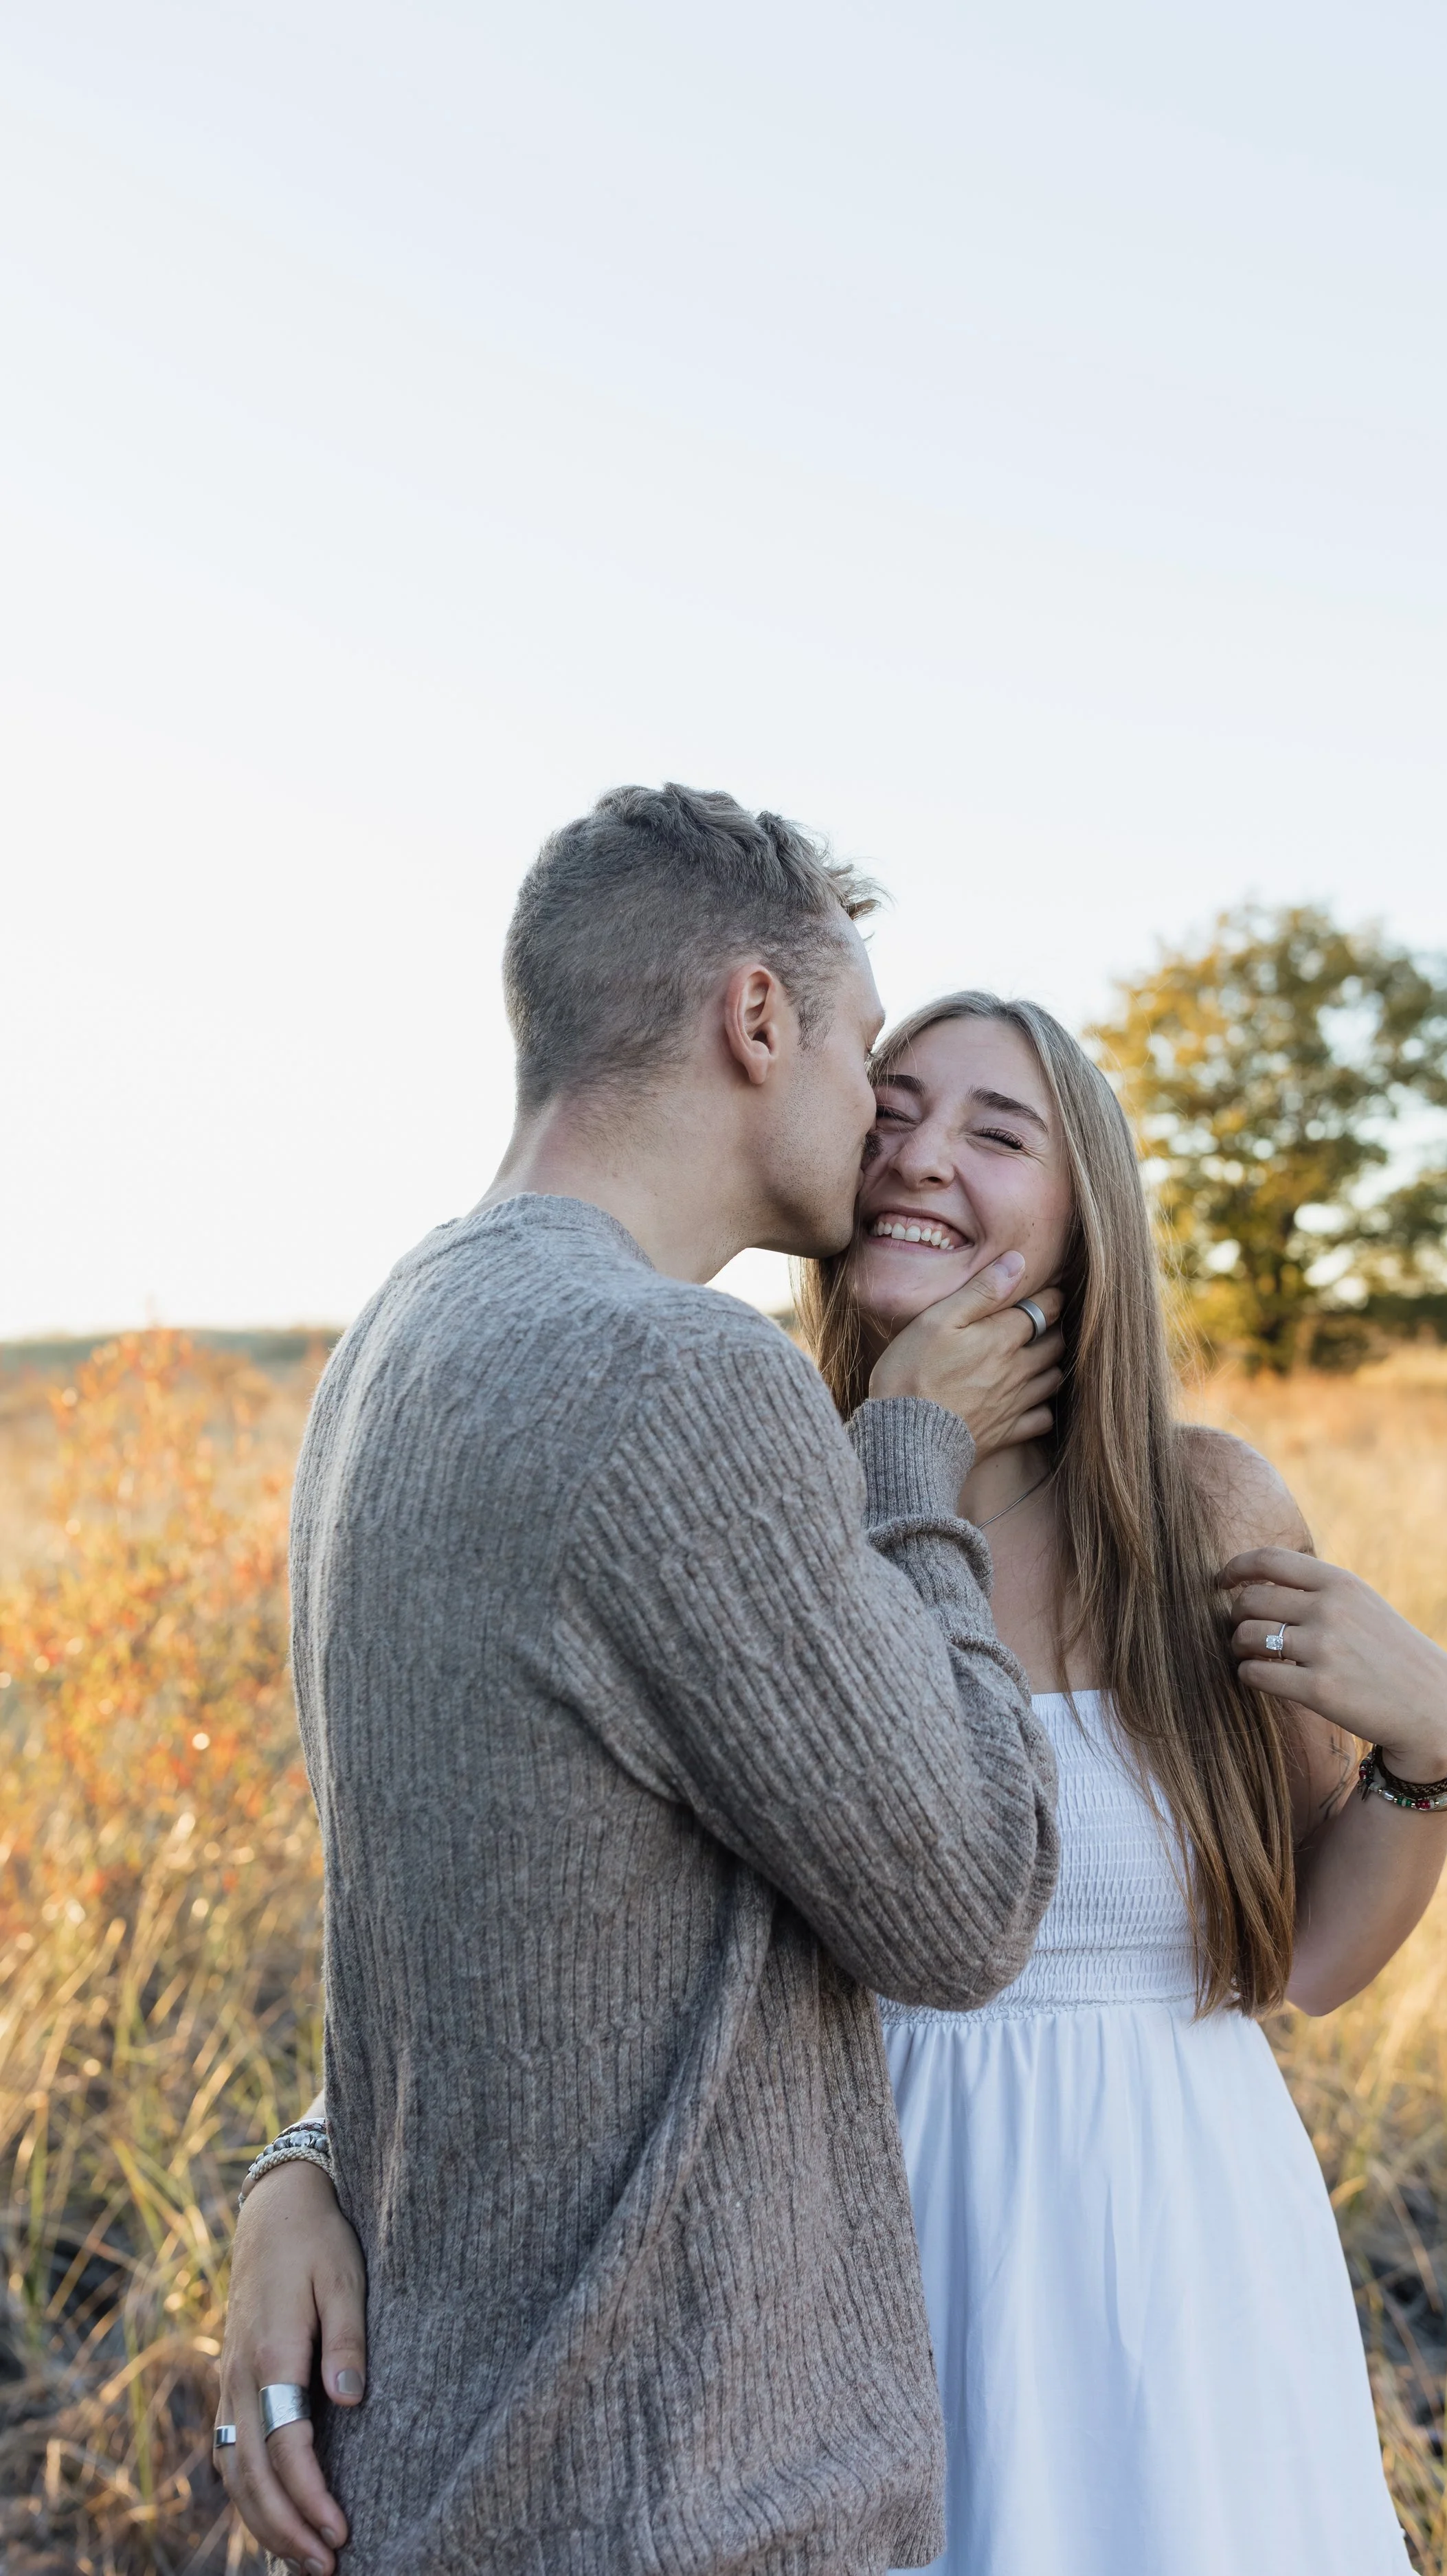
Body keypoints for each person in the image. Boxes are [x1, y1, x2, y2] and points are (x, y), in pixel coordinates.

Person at [228, 975, 1447, 2573]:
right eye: (887, 1113)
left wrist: (1431, 1754)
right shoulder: (766, 1491)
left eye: (995, 1129)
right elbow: (543, 1903)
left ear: (1086, 1210)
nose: (918, 1156)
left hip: (1165, 2264)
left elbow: (1303, 1958)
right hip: (817, 2270)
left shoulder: (1206, 1513)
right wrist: (310, 2153)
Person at [214, 788, 1067, 2576]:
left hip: (459, 2465)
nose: (877, 1121)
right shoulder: (678, 1370)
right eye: (860, 1051)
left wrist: (305, 2141)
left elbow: (487, 1906)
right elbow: (970, 1900)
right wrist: (915, 1458)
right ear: (757, 1019)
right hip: (665, 2486)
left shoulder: (397, 1333)